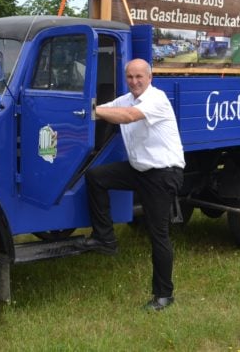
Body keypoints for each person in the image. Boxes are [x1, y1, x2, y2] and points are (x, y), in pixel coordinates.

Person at [77, 58, 185, 312]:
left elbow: (126, 117)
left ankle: (164, 295)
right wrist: (80, 108)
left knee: (157, 233)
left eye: (139, 77)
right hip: (140, 169)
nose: (135, 82)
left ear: (150, 78)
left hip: (163, 173)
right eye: (130, 77)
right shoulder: (126, 98)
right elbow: (106, 109)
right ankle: (105, 239)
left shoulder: (156, 99)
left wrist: (91, 110)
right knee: (96, 177)